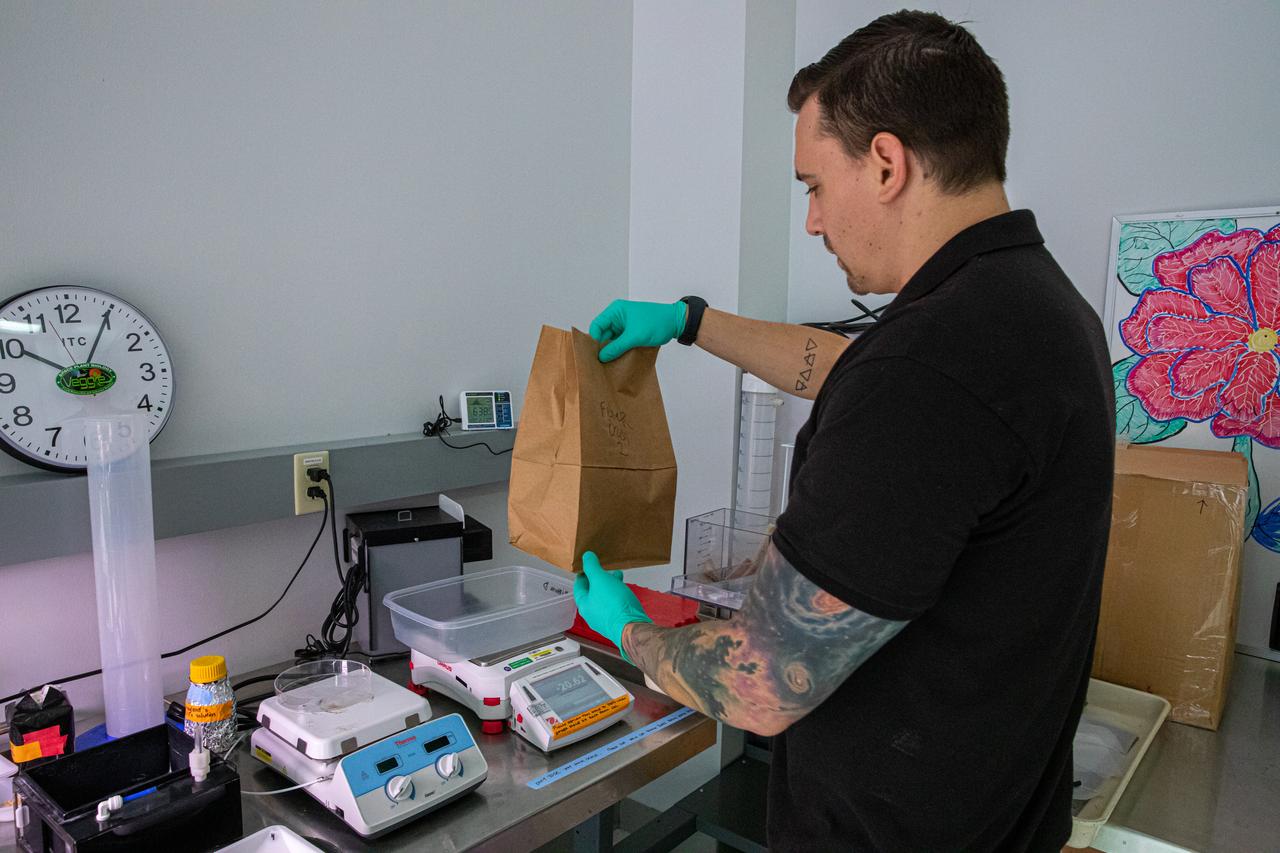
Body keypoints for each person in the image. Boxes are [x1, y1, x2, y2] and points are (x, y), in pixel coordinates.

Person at [571, 10, 1114, 852]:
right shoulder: (1035, 309)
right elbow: (851, 369)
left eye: (814, 186)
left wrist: (629, 628)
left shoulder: (933, 364)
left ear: (888, 163)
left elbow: (760, 687)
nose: (814, 221)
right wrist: (691, 321)